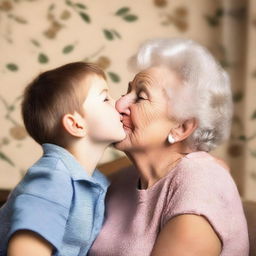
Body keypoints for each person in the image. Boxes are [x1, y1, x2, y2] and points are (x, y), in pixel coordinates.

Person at [89, 38, 249, 256]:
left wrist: (205, 173)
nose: (119, 104)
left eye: (141, 97)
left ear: (181, 127)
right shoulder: (126, 178)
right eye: (127, 92)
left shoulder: (201, 182)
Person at [0, 62, 126, 256]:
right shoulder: (52, 179)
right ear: (76, 124)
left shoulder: (94, 182)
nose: (118, 104)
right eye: (105, 98)